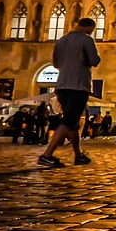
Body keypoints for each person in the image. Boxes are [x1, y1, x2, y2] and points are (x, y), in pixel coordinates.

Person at [38, 17, 100, 168]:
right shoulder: (86, 40)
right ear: (89, 28)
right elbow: (95, 60)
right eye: (92, 30)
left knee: (72, 124)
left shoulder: (61, 41)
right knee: (68, 122)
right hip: (78, 86)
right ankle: (47, 155)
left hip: (62, 86)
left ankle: (78, 156)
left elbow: (56, 64)